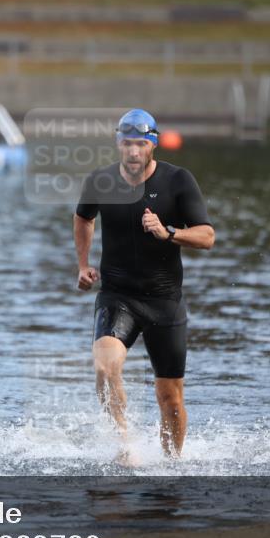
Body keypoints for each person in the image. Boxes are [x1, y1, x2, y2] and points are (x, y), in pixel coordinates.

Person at [73, 109, 214, 461]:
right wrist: (83, 264)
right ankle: (126, 445)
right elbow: (83, 217)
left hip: (165, 302)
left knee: (171, 400)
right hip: (117, 296)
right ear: (118, 144)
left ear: (152, 144)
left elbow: (207, 236)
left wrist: (168, 232)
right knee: (105, 367)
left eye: (140, 144)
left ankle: (172, 468)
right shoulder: (101, 180)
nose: (133, 151)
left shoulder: (178, 181)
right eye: (126, 143)